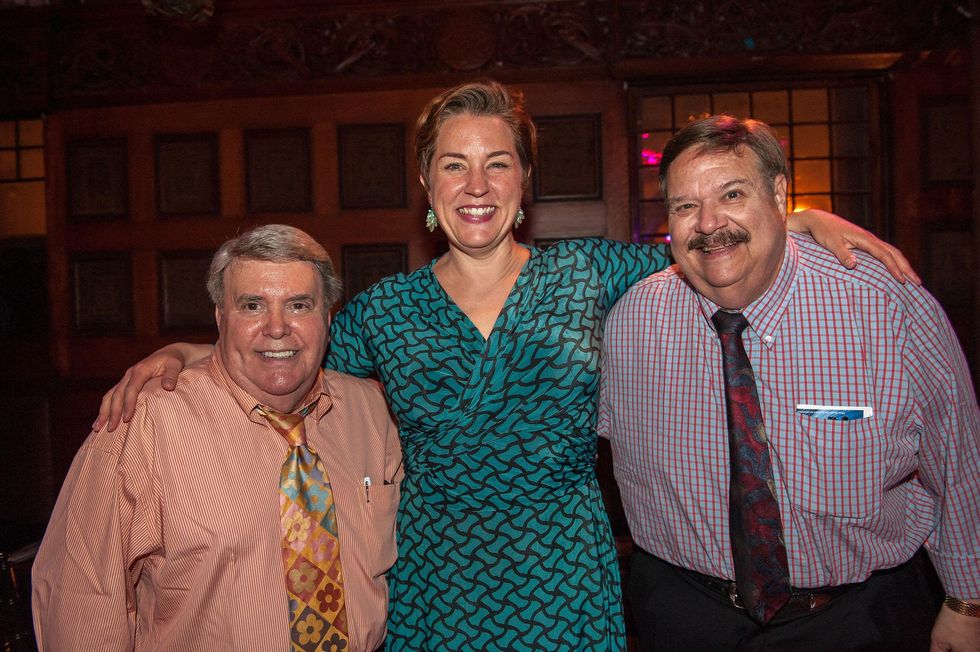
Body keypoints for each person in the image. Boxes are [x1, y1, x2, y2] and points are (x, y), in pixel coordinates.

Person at [93, 81, 919, 650]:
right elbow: (290, 363)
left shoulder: (591, 273)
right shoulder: (384, 313)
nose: (476, 183)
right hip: (433, 585)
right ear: (426, 182)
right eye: (454, 163)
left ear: (526, 181)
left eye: (498, 162)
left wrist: (799, 216)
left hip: (567, 579)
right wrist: (192, 351)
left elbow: (711, 249)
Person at [599, 115, 980, 651]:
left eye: (732, 193)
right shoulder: (632, 322)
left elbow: (958, 459)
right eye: (685, 206)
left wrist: (968, 602)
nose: (708, 223)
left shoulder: (886, 306)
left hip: (855, 617)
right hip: (687, 617)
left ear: (779, 193)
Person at [33, 225, 402, 652]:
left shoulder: (371, 413)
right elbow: (81, 601)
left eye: (299, 305)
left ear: (327, 317)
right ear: (220, 317)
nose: (277, 328)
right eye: (252, 305)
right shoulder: (144, 422)